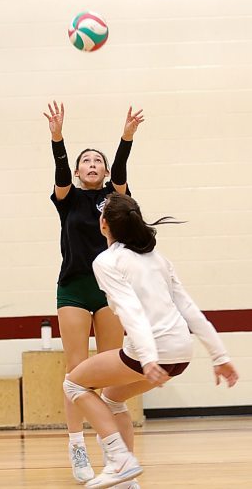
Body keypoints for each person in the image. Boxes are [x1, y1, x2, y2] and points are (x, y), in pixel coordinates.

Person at [63, 192, 239, 489]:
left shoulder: (107, 261)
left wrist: (146, 358)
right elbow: (190, 309)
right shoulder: (158, 258)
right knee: (113, 398)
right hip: (181, 351)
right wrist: (219, 356)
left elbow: (132, 314)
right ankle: (126, 481)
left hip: (152, 351)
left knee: (74, 383)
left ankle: (119, 458)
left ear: (103, 224)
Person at [43, 101, 144, 485]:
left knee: (111, 372)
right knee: (77, 371)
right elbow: (60, 172)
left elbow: (121, 173)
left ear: (103, 171)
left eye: (96, 161)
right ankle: (76, 447)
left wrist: (126, 139)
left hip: (109, 291)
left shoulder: (114, 201)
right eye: (84, 160)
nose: (91, 163)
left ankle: (116, 454)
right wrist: (58, 138)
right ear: (77, 169)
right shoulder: (67, 199)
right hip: (73, 288)